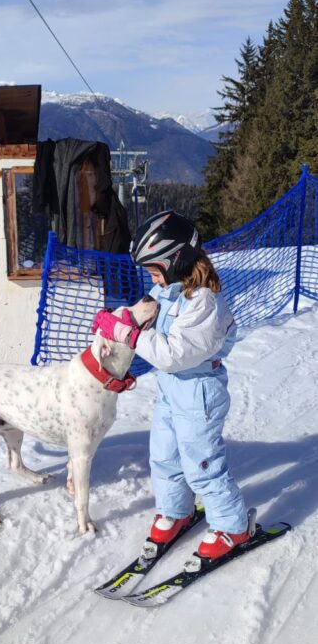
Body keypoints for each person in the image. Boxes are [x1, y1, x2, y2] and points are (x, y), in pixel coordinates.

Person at [91, 210, 249, 561]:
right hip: (170, 390)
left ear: (176, 260)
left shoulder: (204, 302)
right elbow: (143, 314)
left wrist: (126, 335)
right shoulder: (167, 290)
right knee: (164, 456)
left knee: (201, 464)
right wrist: (118, 321)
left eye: (153, 269)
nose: (151, 278)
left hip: (198, 393)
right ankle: (176, 510)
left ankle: (232, 525)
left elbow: (173, 354)